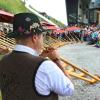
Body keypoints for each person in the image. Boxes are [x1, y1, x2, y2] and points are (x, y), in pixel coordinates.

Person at [0, 13, 74, 100]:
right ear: (34, 37)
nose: (43, 39)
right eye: (42, 36)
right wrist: (56, 60)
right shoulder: (45, 66)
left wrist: (39, 56)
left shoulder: (3, 60)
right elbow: (69, 89)